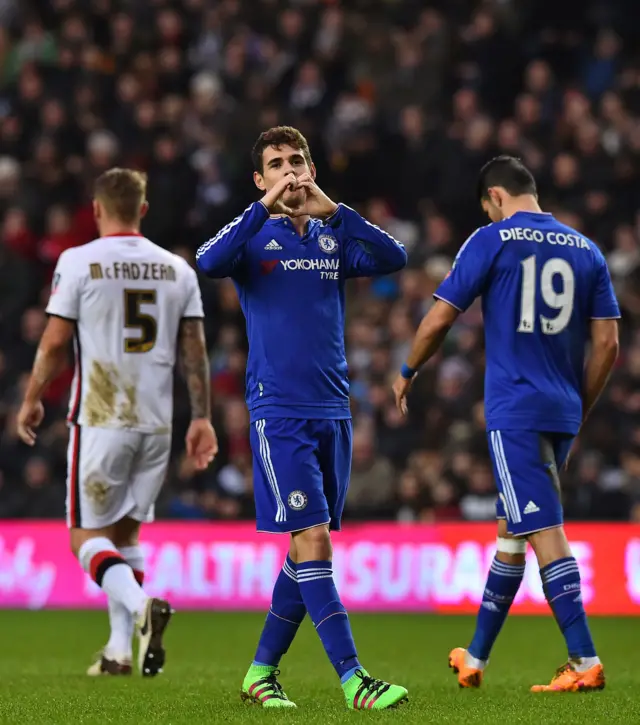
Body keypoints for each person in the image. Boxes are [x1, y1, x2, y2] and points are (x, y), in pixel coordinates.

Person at [196, 126, 408, 710]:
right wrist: (261, 207)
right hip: (278, 413)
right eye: (277, 165)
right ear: (260, 179)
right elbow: (208, 260)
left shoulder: (330, 238)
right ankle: (354, 679)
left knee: (303, 548)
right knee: (312, 537)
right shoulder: (252, 239)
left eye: (298, 161)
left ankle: (260, 674)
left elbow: (395, 257)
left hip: (332, 410)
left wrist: (335, 210)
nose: (291, 172)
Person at [392, 156, 620, 693]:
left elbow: (442, 315)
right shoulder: (586, 249)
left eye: (487, 209)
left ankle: (584, 660)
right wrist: (578, 408)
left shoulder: (491, 239)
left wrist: (407, 370)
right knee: (511, 530)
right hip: (563, 408)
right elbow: (608, 343)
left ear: (495, 197)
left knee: (542, 527)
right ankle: (475, 656)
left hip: (515, 408)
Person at [17, 168, 218, 677]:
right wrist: (203, 417)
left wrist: (33, 396)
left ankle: (138, 605)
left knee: (84, 537)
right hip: (157, 424)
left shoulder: (79, 262)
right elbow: (194, 351)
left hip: (102, 417)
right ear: (143, 210)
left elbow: (56, 341)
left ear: (98, 209)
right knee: (126, 534)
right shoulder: (178, 270)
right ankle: (118, 650)